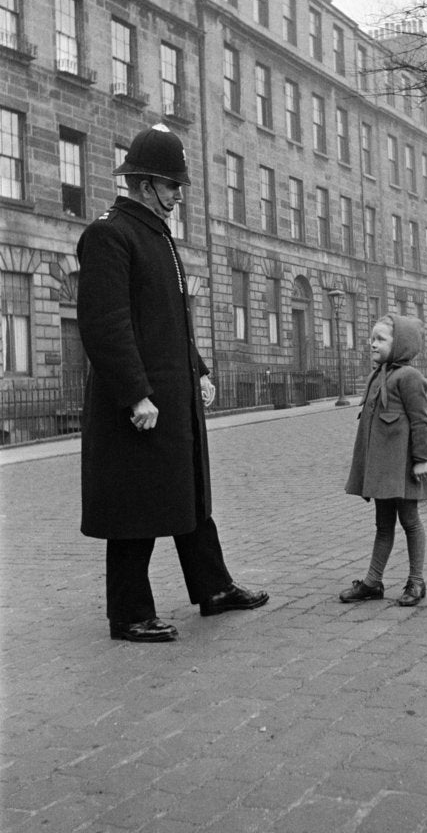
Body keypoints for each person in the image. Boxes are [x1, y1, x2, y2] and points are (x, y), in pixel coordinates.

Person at [77, 124, 268, 643]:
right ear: (143, 185)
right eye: (171, 186)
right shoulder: (109, 233)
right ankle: (129, 612)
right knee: (134, 508)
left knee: (189, 494)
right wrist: (135, 392)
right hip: (137, 404)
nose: (179, 195)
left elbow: (169, 321)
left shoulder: (156, 235)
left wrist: (199, 370)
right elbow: (105, 324)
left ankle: (213, 588)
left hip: (173, 396)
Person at [340, 314, 427, 607]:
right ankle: (373, 581)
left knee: (410, 521)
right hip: (382, 469)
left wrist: (421, 460)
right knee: (383, 524)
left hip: (403, 467)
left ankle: (416, 582)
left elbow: (422, 422)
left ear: (401, 345)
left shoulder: (409, 377)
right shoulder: (377, 375)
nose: (373, 344)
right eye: (372, 338)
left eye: (381, 339)